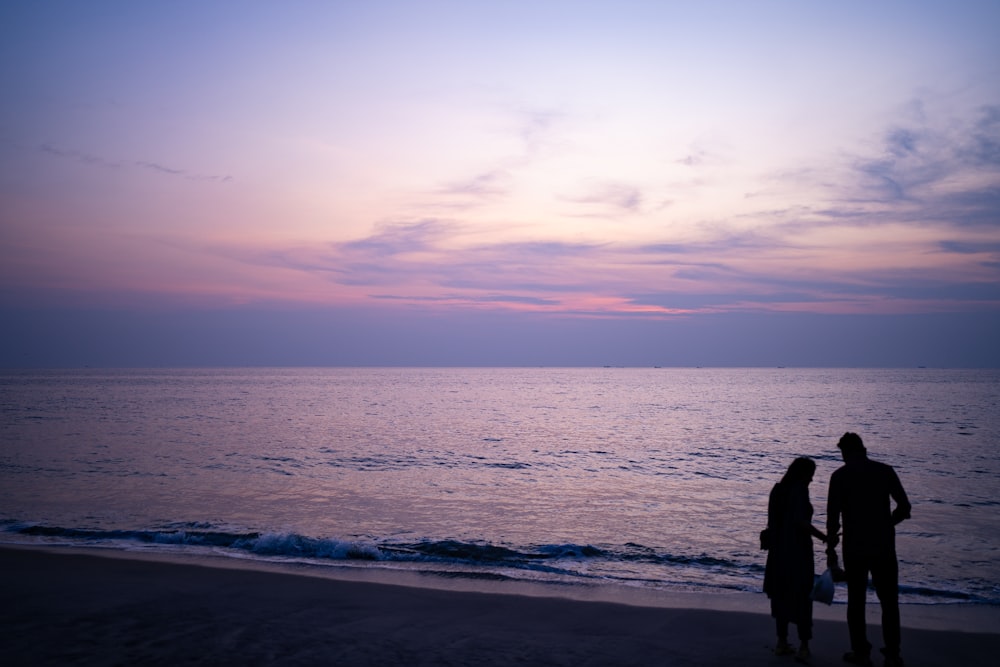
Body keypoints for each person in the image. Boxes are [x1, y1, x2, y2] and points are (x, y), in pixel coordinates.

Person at [826, 432, 911, 667]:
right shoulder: (885, 471)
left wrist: (830, 550)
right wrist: (888, 523)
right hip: (883, 544)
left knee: (856, 601)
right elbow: (904, 507)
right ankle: (892, 655)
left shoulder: (840, 476)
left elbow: (833, 518)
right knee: (889, 602)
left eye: (842, 453)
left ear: (846, 452)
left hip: (854, 546)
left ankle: (861, 652)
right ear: (863, 449)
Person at [764, 456, 827, 660]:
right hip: (798, 552)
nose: (811, 480)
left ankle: (781, 642)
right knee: (801, 597)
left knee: (780, 595)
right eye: (810, 476)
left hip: (777, 552)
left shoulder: (777, 490)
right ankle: (804, 646)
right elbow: (800, 522)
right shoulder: (799, 490)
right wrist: (824, 537)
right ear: (802, 474)